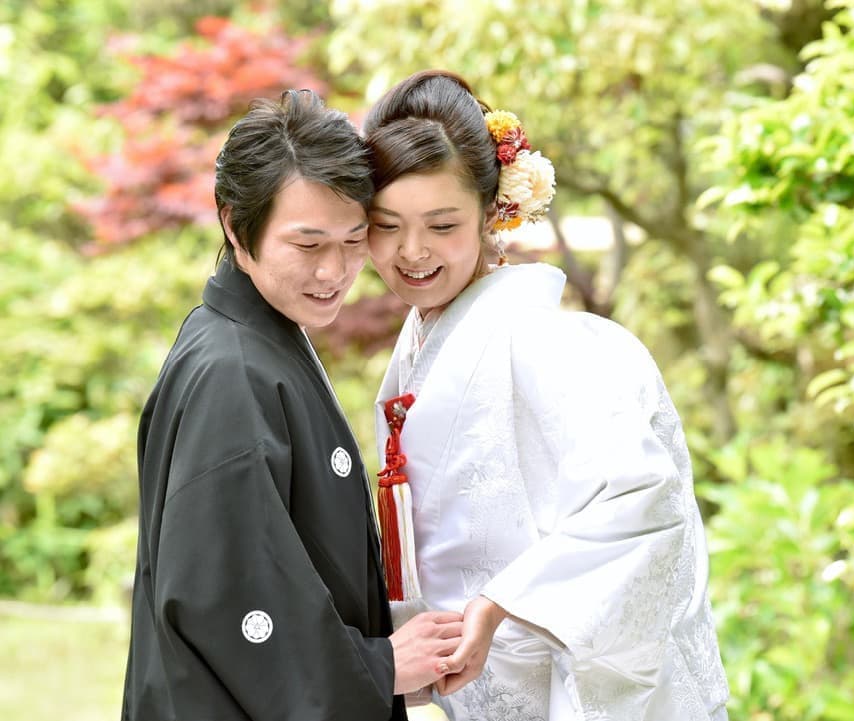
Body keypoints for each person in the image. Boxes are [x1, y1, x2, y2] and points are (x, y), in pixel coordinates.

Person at [361, 70, 730, 721]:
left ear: (492, 213)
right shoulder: (426, 338)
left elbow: (642, 497)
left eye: (442, 225)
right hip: (475, 684)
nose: (410, 251)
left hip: (541, 675)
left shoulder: (543, 340)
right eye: (386, 225)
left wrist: (503, 602)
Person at [122, 89, 463, 721]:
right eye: (307, 246)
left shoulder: (257, 339)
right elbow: (226, 596)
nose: (335, 271)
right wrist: (379, 666)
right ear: (233, 224)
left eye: (354, 240)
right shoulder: (233, 371)